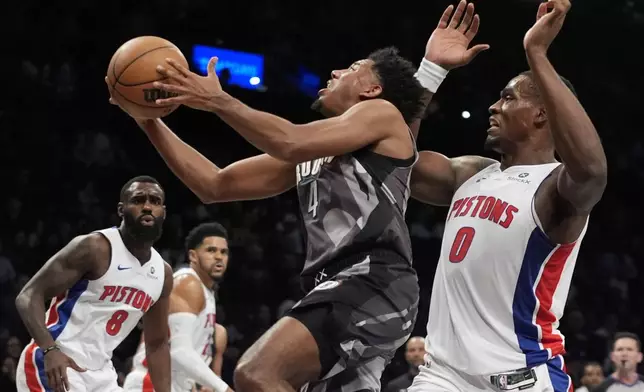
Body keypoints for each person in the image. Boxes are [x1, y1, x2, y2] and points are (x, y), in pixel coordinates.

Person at [105, 3, 486, 390]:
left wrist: (219, 101)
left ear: (372, 90)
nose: (336, 72)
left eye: (352, 69)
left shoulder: (382, 114)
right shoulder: (314, 151)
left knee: (257, 373)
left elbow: (287, 140)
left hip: (373, 282)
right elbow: (215, 184)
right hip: (343, 288)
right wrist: (147, 120)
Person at [406, 1, 608, 391]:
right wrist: (430, 70)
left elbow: (594, 171)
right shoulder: (470, 173)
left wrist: (537, 55)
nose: (494, 106)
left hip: (522, 375)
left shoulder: (555, 188)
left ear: (542, 114)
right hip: (442, 375)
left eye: (509, 98)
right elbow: (394, 161)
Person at [14, 176, 173, 392]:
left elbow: (157, 343)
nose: (147, 206)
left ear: (163, 211)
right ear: (121, 209)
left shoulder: (162, 274)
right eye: (138, 200)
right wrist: (49, 349)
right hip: (57, 362)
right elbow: (28, 296)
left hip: (101, 374)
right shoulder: (95, 248)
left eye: (155, 201)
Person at [124, 222, 233, 392]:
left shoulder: (206, 296)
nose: (219, 256)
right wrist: (223, 388)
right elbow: (179, 351)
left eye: (223, 252)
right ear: (193, 256)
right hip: (150, 383)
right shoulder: (187, 283)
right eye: (211, 250)